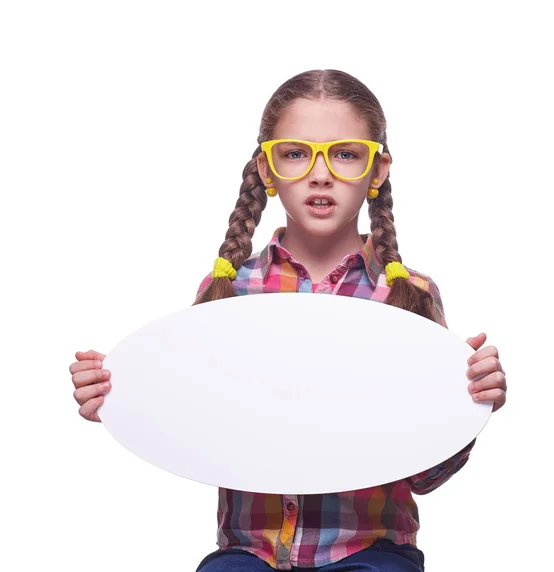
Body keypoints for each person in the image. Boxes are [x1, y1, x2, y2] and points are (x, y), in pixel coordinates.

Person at [69, 69, 507, 572]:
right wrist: (123, 394)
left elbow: (424, 475)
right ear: (267, 169)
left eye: (345, 154)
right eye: (296, 154)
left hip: (372, 554)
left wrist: (470, 404)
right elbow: (198, 425)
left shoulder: (406, 295)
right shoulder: (228, 292)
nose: (320, 175)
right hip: (248, 553)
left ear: (377, 169)